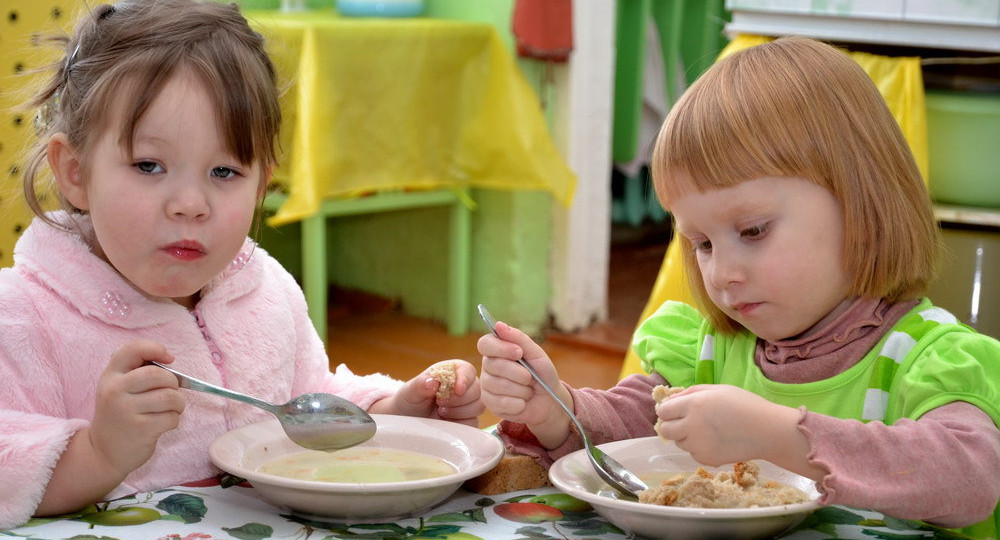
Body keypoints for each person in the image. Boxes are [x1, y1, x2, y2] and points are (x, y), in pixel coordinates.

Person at [479, 36, 1000, 536]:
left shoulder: (929, 360)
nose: (722, 271)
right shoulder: (706, 350)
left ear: (863, 205)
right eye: (702, 243)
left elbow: (970, 478)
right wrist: (556, 410)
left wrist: (782, 436)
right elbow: (627, 431)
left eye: (752, 231)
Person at [0, 0, 483, 529]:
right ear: (74, 172)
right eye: (149, 165)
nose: (190, 203)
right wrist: (99, 452)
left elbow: (307, 405)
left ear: (261, 184)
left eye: (225, 172)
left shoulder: (263, 289)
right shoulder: (24, 316)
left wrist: (397, 410)